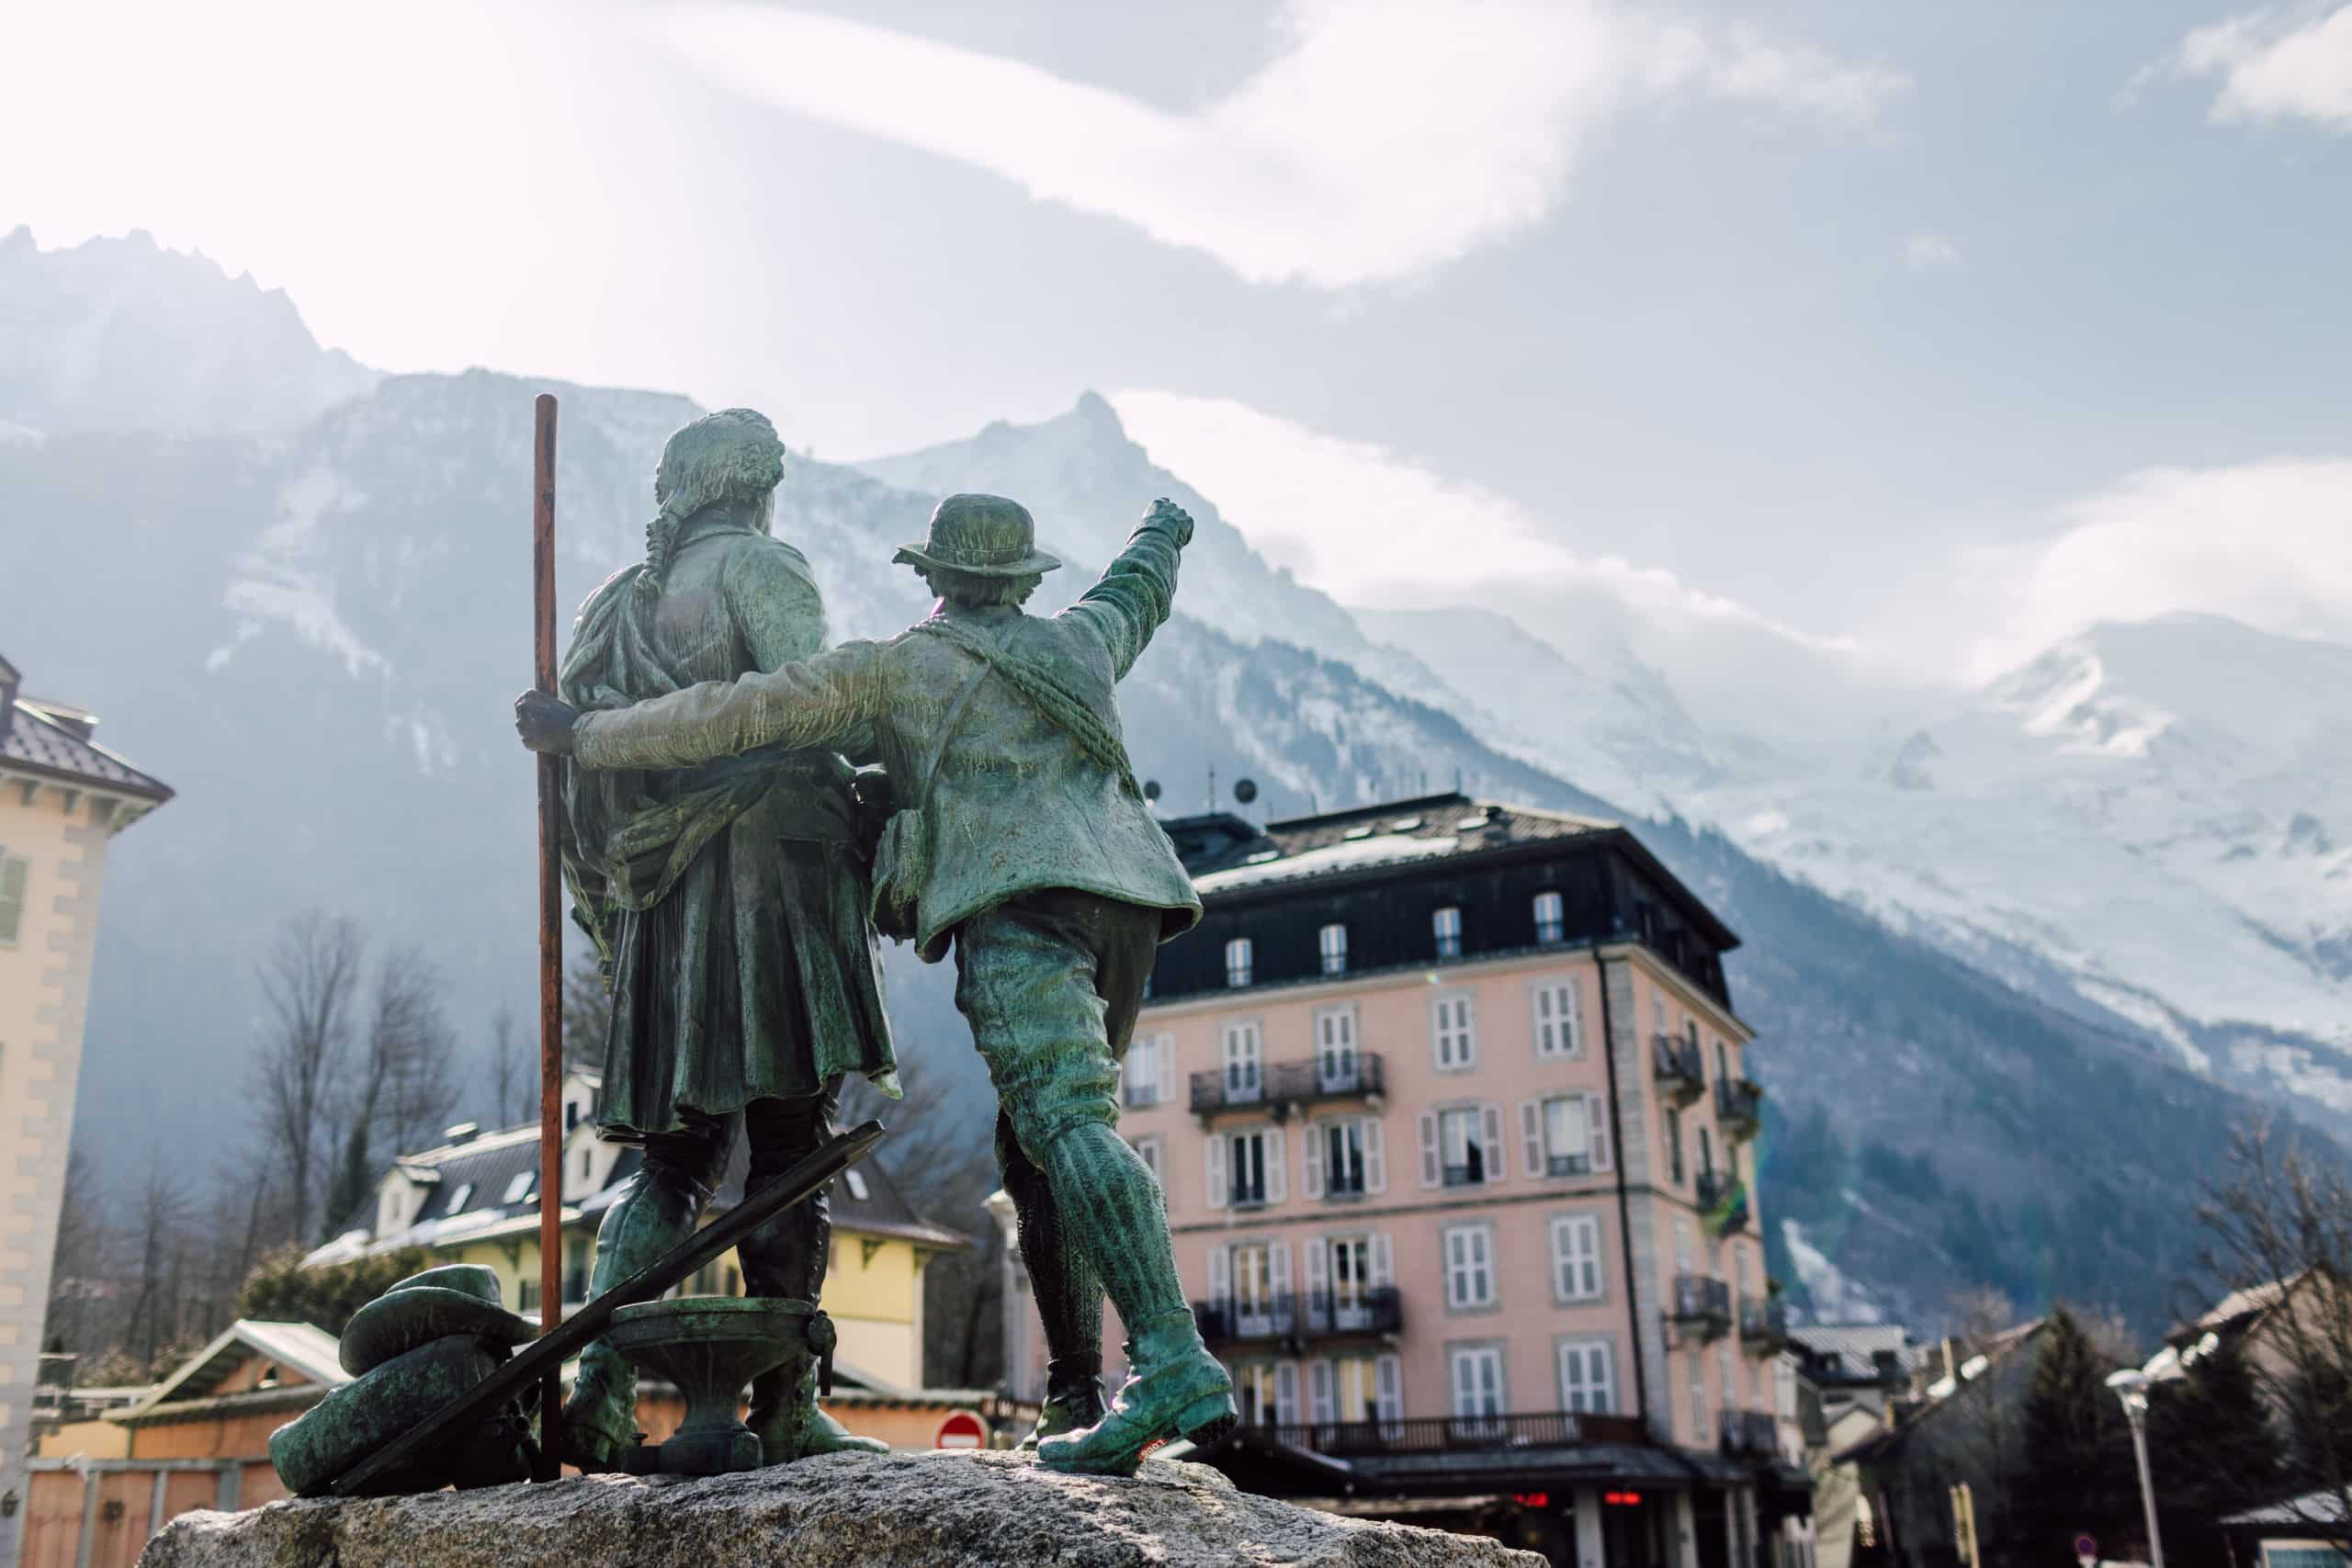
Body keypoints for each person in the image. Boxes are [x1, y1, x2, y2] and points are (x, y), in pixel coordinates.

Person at [515, 491, 1235, 1476]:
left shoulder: (893, 669)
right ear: (1024, 580)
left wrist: (586, 736)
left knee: (1067, 1125)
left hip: (1017, 903)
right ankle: (1072, 1387)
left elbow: (731, 714)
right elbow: (1137, 588)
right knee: (1038, 1151)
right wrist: (1165, 526)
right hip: (1129, 904)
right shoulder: (1083, 642)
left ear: (931, 574)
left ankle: (1169, 1360)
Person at [550, 408, 896, 1471]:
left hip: (663, 889)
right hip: (775, 875)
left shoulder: (618, 602)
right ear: (749, 486)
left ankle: (599, 1392)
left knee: (671, 1162)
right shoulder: (762, 568)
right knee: (790, 1147)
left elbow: (577, 782)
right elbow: (814, 704)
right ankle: (787, 1407)